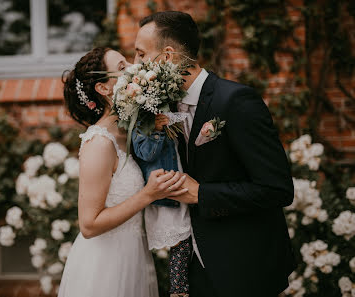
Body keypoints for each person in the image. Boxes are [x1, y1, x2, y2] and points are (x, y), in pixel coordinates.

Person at [134, 11, 296, 297]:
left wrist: (202, 194)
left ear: (166, 57)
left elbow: (277, 189)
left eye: (140, 55)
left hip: (243, 267)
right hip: (192, 268)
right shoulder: (158, 109)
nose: (135, 66)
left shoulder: (236, 101)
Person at [57, 47, 187, 297]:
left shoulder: (132, 132)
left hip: (133, 255)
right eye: (121, 67)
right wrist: (148, 195)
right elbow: (88, 224)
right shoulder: (99, 142)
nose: (133, 67)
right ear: (103, 89)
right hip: (104, 265)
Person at [132, 114, 192, 297]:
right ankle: (178, 290)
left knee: (186, 239)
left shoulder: (173, 112)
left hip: (182, 183)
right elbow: (146, 153)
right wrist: (156, 130)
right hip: (165, 191)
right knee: (178, 240)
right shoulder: (140, 122)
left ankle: (181, 287)